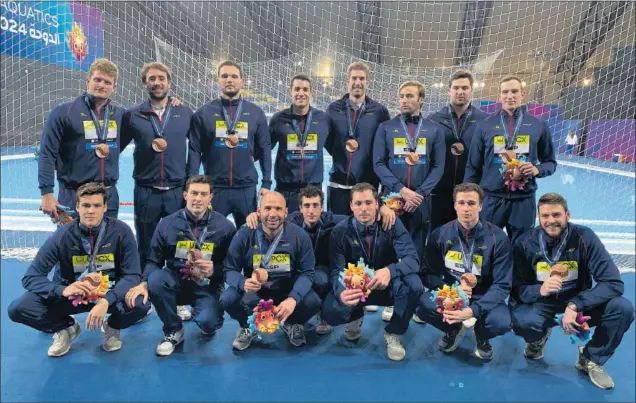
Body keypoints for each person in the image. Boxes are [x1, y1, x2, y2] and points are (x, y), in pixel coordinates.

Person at [8, 182, 150, 356]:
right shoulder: (61, 235)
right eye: (86, 205)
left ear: (105, 207)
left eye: (96, 205)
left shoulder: (121, 232)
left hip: (108, 294)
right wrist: (63, 289)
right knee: (19, 308)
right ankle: (66, 328)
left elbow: (133, 275)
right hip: (72, 296)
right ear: (77, 207)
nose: (91, 211)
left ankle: (112, 326)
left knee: (141, 304)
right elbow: (31, 277)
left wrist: (107, 300)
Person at [510, 192, 634, 390]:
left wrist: (576, 304)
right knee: (520, 320)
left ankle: (591, 359)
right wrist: (539, 290)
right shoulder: (524, 243)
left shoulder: (585, 238)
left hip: (580, 305)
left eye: (557, 215)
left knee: (622, 308)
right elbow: (517, 290)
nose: (551, 220)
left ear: (568, 215)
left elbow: (613, 282)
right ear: (539, 218)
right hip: (543, 305)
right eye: (545, 216)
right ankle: (537, 338)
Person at [244, 185, 397, 334]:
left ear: (322, 207)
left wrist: (381, 207)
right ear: (300, 208)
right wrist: (254, 216)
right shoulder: (290, 221)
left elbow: (359, 215)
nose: (311, 211)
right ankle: (293, 319)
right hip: (298, 269)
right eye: (307, 205)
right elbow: (271, 218)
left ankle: (324, 314)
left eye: (315, 205)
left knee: (321, 280)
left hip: (321, 268)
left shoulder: (332, 220)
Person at [124, 175, 236, 356]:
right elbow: (154, 260)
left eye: (203, 194)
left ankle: (206, 316)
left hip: (207, 285)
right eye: (194, 193)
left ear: (210, 197)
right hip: (176, 280)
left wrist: (215, 270)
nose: (198, 198)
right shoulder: (167, 224)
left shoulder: (225, 227)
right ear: (185, 195)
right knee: (156, 280)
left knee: (209, 324)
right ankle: (173, 330)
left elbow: (232, 267)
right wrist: (143, 283)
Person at [321, 183, 423, 361]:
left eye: (368, 202)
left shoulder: (392, 224)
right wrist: (342, 292)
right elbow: (337, 270)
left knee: (414, 285)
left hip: (386, 286)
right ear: (351, 206)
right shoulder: (340, 231)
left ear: (378, 204)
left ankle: (393, 332)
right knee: (332, 311)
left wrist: (390, 271)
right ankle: (355, 315)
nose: (363, 209)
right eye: (358, 204)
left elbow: (413, 260)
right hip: (357, 288)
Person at [416, 182, 512, 360]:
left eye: (471, 203)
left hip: (484, 295)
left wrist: (473, 310)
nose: (466, 208)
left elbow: (503, 285)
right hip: (451, 292)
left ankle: (482, 335)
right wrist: (451, 291)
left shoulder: (498, 238)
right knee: (423, 305)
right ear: (454, 205)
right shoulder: (440, 234)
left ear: (480, 206)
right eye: (461, 203)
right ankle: (453, 329)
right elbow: (427, 273)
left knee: (501, 322)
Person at [221, 191, 321, 350]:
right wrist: (242, 282)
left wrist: (293, 299)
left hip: (286, 291)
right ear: (258, 211)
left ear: (286, 212)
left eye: (278, 209)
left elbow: (307, 273)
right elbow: (229, 269)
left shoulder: (299, 236)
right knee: (229, 298)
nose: (273, 214)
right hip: (255, 293)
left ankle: (292, 323)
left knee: (312, 301)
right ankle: (247, 325)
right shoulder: (244, 234)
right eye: (267, 208)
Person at [464, 75, 557, 243]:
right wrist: (468, 198)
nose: (510, 96)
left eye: (514, 91)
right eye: (505, 92)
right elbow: (473, 166)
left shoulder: (538, 124)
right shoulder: (485, 124)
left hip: (524, 200)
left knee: (522, 250)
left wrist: (537, 169)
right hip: (492, 198)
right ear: (499, 96)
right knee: (487, 246)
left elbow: (550, 163)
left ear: (522, 93)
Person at [187, 60, 272, 228]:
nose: (229, 80)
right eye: (224, 76)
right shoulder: (204, 113)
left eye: (234, 76)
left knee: (250, 235)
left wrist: (267, 182)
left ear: (242, 80)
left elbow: (265, 149)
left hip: (246, 188)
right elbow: (195, 150)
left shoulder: (256, 112)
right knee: (209, 236)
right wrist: (193, 182)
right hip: (216, 188)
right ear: (218, 80)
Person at [38, 58, 125, 221]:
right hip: (74, 195)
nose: (101, 85)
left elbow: (147, 118)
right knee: (71, 245)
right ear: (88, 81)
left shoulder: (120, 115)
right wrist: (47, 193)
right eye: (97, 79)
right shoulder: (63, 113)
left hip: (108, 196)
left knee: (106, 245)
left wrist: (171, 103)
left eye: (107, 82)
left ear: (114, 87)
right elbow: (47, 154)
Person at [373, 80, 445, 260]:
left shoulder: (434, 129)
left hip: (420, 201)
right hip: (392, 199)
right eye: (402, 96)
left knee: (417, 250)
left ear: (421, 99)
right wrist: (402, 190)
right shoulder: (386, 128)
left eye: (410, 96)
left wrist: (419, 193)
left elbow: (438, 166)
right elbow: (378, 164)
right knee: (387, 248)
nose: (404, 100)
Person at [325, 61, 391, 215]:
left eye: (362, 79)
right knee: (337, 232)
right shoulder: (333, 109)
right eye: (354, 78)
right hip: (338, 185)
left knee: (365, 232)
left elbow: (384, 147)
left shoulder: (380, 112)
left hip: (367, 188)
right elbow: (328, 142)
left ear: (367, 82)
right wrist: (342, 154)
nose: (358, 82)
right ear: (347, 82)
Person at [428, 70, 489, 230]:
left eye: (464, 88)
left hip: (472, 192)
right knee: (439, 234)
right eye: (456, 88)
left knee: (470, 235)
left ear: (471, 90)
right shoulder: (434, 120)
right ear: (449, 91)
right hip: (440, 191)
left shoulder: (485, 121)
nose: (460, 92)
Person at [269, 74, 330, 213]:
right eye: (297, 89)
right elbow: (264, 150)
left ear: (311, 92)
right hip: (286, 190)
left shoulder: (323, 119)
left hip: (313, 192)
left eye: (305, 89)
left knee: (313, 233)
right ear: (291, 91)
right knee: (285, 232)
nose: (300, 93)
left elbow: (333, 147)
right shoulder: (278, 119)